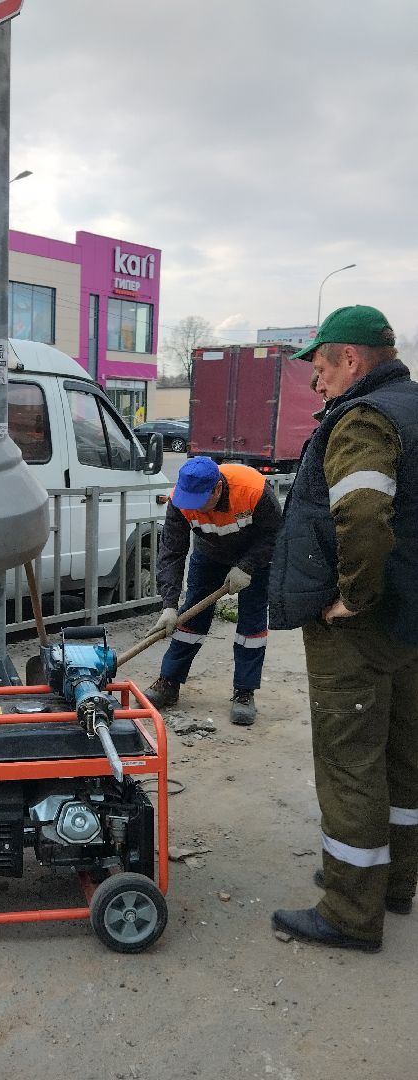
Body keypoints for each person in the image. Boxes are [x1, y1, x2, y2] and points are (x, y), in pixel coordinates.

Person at [268, 305, 418, 952]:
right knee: (403, 758)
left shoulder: (363, 418)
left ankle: (350, 910)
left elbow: (360, 515)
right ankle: (392, 883)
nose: (314, 383)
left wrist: (353, 599)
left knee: (349, 760)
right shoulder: (412, 406)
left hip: (363, 628)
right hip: (409, 618)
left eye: (320, 366)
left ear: (350, 360)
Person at [146, 456, 282, 725]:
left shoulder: (253, 490)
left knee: (251, 626)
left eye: (200, 502)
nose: (196, 510)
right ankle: (169, 681)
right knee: (191, 619)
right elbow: (172, 552)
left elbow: (276, 533)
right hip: (209, 555)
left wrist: (247, 566)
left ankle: (244, 692)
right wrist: (169, 604)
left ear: (217, 489)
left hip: (255, 558)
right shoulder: (179, 501)